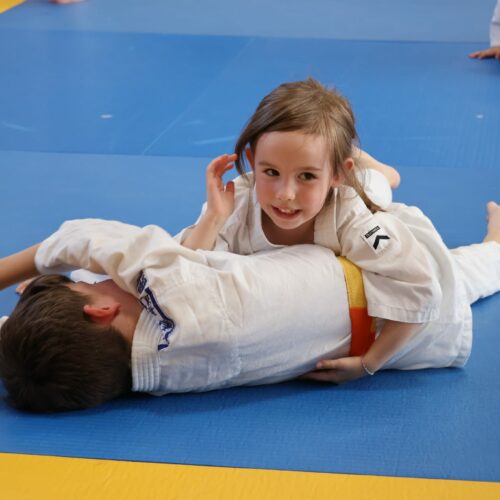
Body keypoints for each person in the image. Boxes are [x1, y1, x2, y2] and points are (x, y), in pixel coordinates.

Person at [0, 202, 499, 412]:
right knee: (465, 271)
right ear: (99, 312)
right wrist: (39, 279)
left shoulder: (145, 379)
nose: (96, 281)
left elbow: (43, 358)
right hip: (389, 283)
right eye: (89, 290)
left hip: (402, 340)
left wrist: (28, 332)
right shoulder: (182, 293)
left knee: (471, 275)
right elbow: (79, 238)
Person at [177, 78, 442, 383]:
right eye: (271, 172)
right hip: (334, 177)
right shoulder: (236, 204)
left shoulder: (352, 217)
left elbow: (421, 288)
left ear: (337, 174)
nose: (285, 194)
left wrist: (369, 363)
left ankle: (372, 166)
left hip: (360, 194)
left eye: (306, 176)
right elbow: (180, 274)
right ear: (252, 161)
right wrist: (213, 216)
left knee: (379, 184)